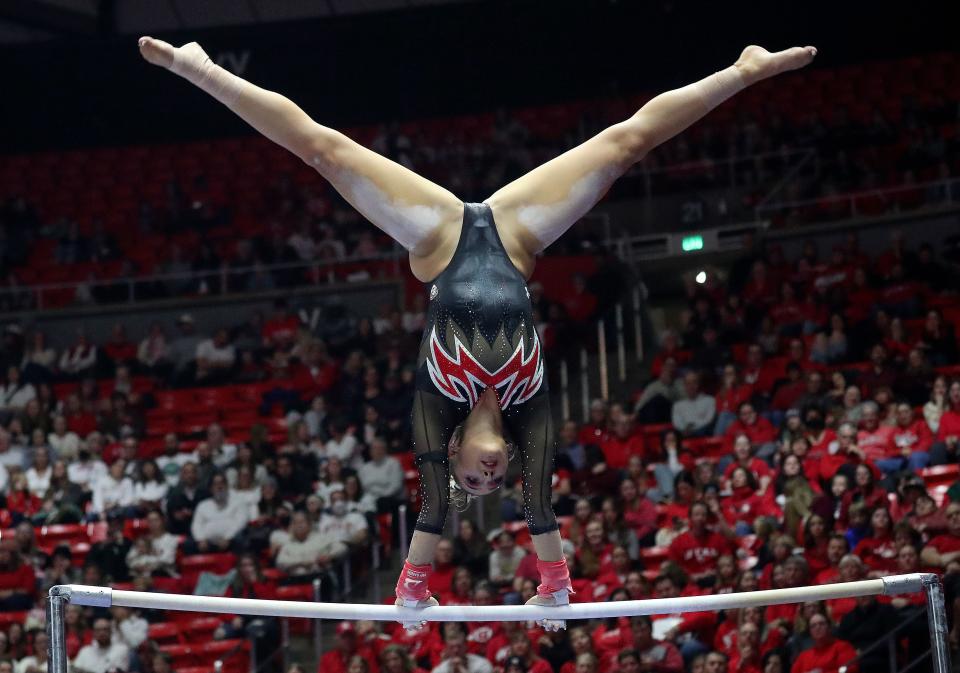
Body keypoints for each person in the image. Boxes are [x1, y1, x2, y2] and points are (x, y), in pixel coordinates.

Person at [139, 35, 817, 628]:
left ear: (456, 455)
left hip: (438, 238)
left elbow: (433, 508)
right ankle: (743, 71)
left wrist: (413, 592)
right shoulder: (530, 411)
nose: (487, 476)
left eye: (475, 478)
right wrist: (554, 591)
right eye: (497, 480)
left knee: (325, 149)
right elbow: (542, 508)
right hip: (517, 235)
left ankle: (202, 70)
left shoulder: (437, 407)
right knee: (624, 145)